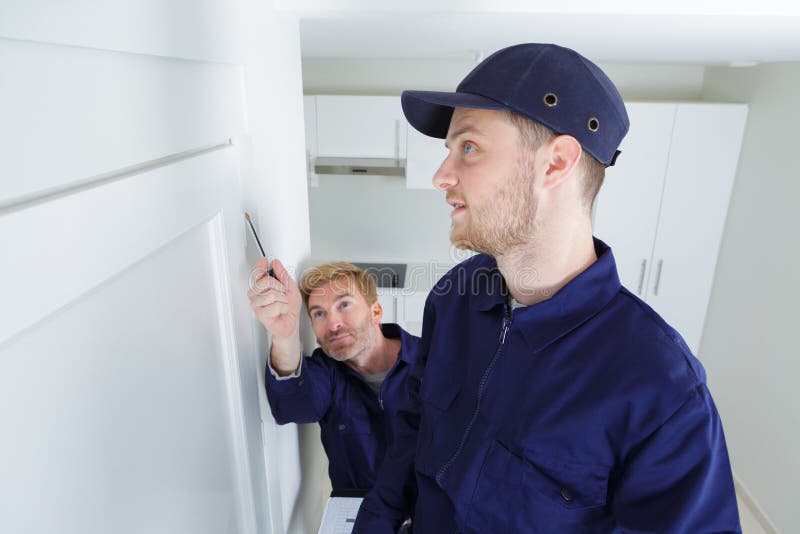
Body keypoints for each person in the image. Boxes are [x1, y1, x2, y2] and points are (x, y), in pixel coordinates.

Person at [354, 43, 741, 532]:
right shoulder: (455, 297)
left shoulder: (661, 389)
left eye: (468, 147)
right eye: (448, 151)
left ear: (556, 163)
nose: (441, 176)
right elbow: (412, 434)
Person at [247, 259, 420, 490]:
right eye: (319, 314)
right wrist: (285, 335)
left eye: (344, 305)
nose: (333, 323)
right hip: (362, 516)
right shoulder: (325, 372)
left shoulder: (434, 361)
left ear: (375, 311)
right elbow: (293, 406)